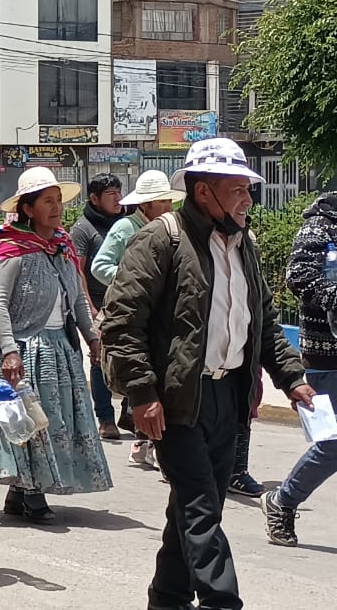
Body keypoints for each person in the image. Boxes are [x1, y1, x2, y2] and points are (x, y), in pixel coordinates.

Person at [100, 138, 312, 610]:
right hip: (177, 401)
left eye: (247, 190)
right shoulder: (162, 238)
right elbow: (121, 321)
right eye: (237, 190)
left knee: (195, 511)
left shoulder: (243, 242)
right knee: (200, 511)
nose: (247, 200)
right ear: (203, 193)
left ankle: (167, 599)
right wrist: (142, 393)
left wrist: (291, 377)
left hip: (227, 398)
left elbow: (261, 322)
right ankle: (223, 603)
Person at [0, 166, 112, 523]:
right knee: (33, 422)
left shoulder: (63, 245)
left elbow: (78, 300)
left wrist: (93, 338)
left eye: (58, 201)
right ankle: (33, 493)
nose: (56, 208)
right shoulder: (12, 251)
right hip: (24, 348)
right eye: (47, 202)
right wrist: (9, 350)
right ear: (27, 208)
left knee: (54, 422)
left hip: (58, 345)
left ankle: (22, 491)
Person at [90, 169, 186, 469]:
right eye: (161, 202)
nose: (168, 207)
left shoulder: (171, 228)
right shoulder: (125, 228)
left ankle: (145, 442)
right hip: (134, 313)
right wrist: (133, 281)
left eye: (169, 201)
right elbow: (99, 266)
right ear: (145, 205)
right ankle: (154, 445)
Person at [264, 191, 337, 546]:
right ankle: (282, 501)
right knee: (333, 443)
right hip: (328, 354)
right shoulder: (318, 228)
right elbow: (299, 278)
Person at [70, 173, 126, 440]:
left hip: (126, 302)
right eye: (111, 194)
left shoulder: (125, 223)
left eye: (119, 192)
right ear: (94, 199)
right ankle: (105, 417)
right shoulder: (83, 229)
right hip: (98, 303)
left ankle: (129, 412)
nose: (118, 199)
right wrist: (89, 307)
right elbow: (78, 269)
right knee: (100, 359)